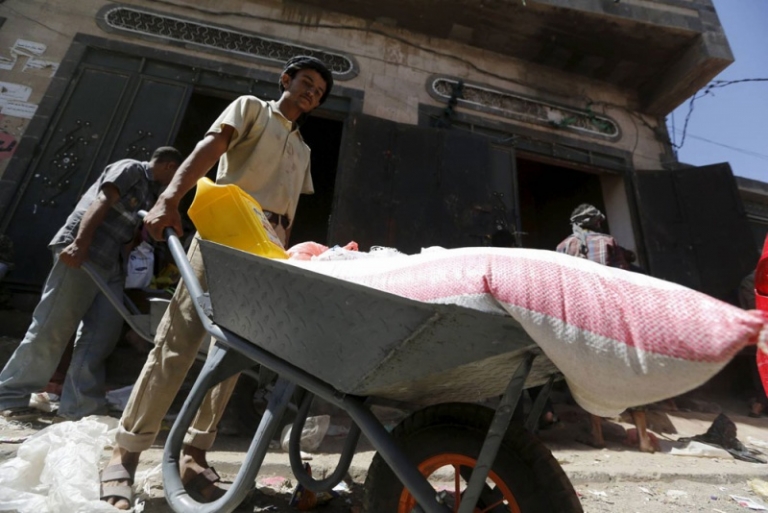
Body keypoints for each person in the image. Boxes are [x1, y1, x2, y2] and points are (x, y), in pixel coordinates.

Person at [99, 56, 333, 509]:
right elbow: (209, 149)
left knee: (235, 353)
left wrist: (285, 257)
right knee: (178, 343)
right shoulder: (251, 109)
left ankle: (195, 454)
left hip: (265, 252)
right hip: (224, 234)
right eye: (306, 83)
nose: (311, 93)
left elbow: (286, 210)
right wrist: (170, 198)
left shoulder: (302, 148)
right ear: (286, 80)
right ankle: (125, 453)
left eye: (319, 92)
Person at [0, 147, 182, 422]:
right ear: (170, 167)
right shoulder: (131, 168)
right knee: (53, 325)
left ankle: (79, 407)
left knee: (101, 334)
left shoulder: (152, 192)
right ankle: (10, 395)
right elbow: (102, 200)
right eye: (178, 175)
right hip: (85, 253)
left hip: (111, 264)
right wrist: (79, 243)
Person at [556, 203, 656, 453]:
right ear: (596, 222)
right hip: (612, 318)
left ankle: (597, 436)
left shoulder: (563, 246)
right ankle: (643, 439)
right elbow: (623, 277)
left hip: (582, 320)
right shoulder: (609, 242)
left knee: (589, 376)